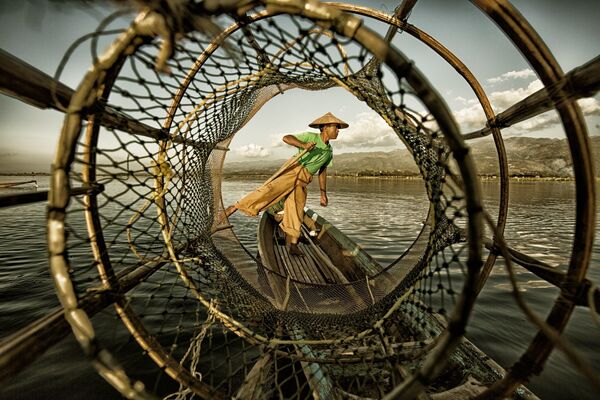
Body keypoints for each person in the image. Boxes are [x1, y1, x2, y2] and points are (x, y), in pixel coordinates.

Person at [224, 112, 349, 256]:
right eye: (336, 127)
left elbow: (322, 171)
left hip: (303, 180)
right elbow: (286, 138)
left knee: (296, 210)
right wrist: (303, 145)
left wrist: (323, 193)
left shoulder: (329, 151)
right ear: (325, 127)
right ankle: (233, 208)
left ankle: (293, 245)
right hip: (292, 171)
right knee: (267, 191)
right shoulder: (312, 137)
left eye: (338, 128)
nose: (338, 130)